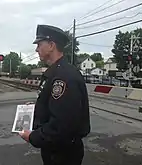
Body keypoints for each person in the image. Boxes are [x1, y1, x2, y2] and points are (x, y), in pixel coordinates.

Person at [19, 24, 91, 165]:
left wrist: (33, 137)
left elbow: (62, 124)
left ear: (51, 45)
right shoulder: (56, 72)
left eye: (39, 44)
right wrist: (37, 107)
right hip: (56, 149)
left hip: (63, 153)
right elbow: (57, 106)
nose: (36, 49)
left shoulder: (63, 77)